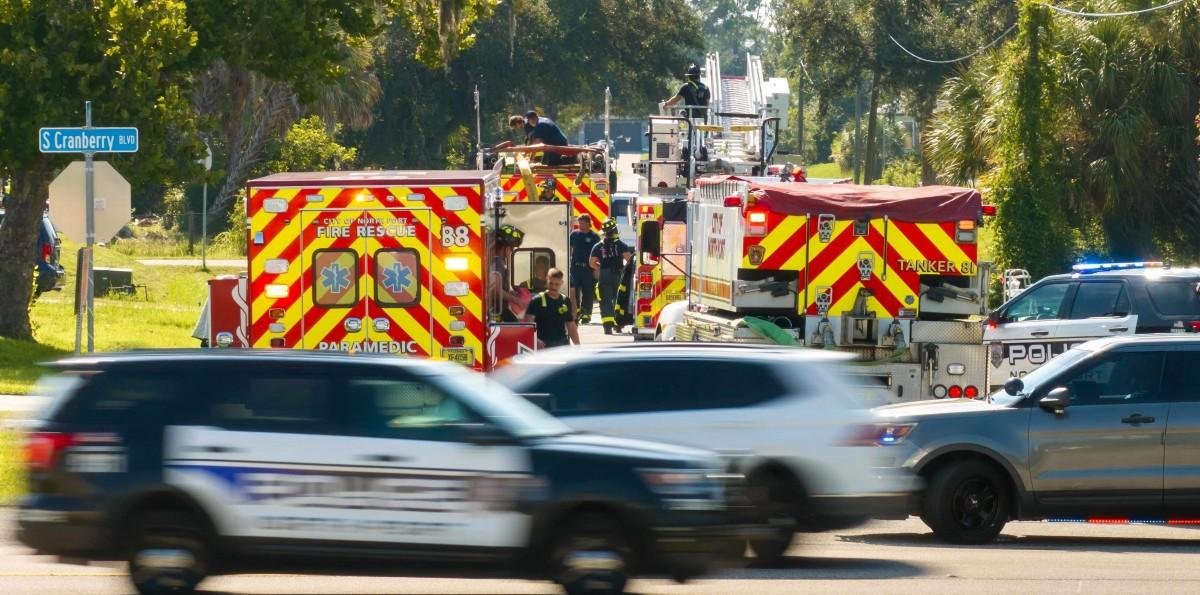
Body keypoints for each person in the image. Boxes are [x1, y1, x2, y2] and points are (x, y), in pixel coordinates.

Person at [589, 218, 633, 335]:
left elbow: (591, 262)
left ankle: (607, 327)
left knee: (605, 301)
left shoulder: (598, 246)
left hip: (604, 275)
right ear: (615, 230)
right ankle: (618, 325)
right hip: (618, 275)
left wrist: (600, 268)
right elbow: (629, 260)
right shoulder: (621, 245)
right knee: (618, 300)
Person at [524, 268, 580, 348]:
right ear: (547, 280)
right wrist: (535, 340)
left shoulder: (565, 300)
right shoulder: (537, 300)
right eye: (551, 283)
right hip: (543, 346)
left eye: (557, 284)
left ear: (562, 283)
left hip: (562, 345)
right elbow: (528, 325)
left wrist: (578, 347)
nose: (553, 287)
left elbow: (571, 326)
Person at [489, 223, 528, 322]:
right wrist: (516, 300)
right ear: (506, 248)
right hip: (497, 311)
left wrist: (511, 293)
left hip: (500, 309)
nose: (512, 251)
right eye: (512, 248)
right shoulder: (497, 265)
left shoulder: (499, 263)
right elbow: (495, 290)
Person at [569, 214, 600, 324]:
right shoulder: (574, 235)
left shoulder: (594, 237)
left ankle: (586, 314)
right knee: (574, 291)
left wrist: (597, 268)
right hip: (575, 268)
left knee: (588, 292)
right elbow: (569, 248)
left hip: (588, 268)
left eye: (582, 223)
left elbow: (598, 253)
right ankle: (577, 312)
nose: (580, 225)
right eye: (579, 223)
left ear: (588, 223)